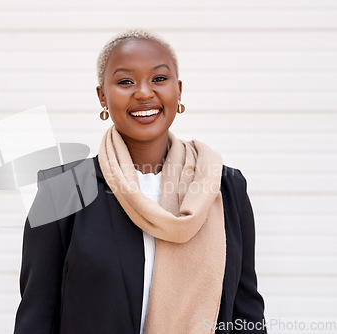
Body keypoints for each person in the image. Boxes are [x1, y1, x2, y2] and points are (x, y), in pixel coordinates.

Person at [14, 29, 266, 334]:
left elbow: (246, 312)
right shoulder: (63, 189)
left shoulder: (223, 188)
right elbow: (37, 316)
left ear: (179, 90)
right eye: (125, 82)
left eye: (159, 79)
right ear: (102, 96)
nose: (144, 93)